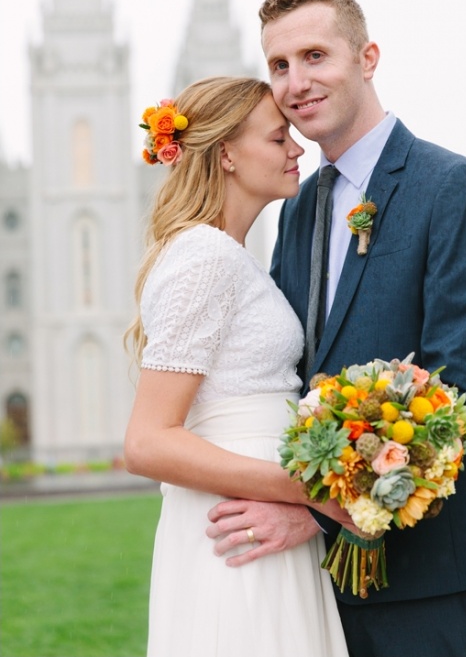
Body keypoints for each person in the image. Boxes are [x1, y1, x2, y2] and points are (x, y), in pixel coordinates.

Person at [206, 0, 466, 657]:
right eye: (280, 65)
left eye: (315, 55)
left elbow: (462, 385)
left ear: (367, 56)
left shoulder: (456, 188)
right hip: (319, 592)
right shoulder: (297, 205)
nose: (296, 81)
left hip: (440, 579)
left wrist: (313, 509)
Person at [123, 75, 351, 657]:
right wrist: (312, 490)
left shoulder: (232, 256)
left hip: (257, 520)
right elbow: (147, 443)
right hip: (240, 529)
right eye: (279, 139)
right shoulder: (204, 257)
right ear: (227, 153)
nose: (298, 149)